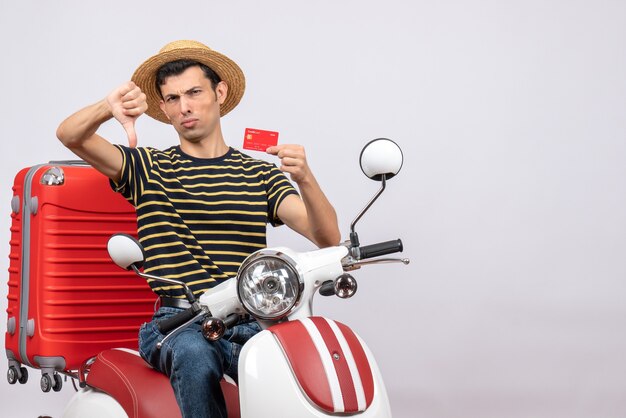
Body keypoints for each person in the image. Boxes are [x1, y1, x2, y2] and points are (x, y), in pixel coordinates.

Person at [56, 40, 340, 418]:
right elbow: (70, 135)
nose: (184, 106)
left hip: (250, 320)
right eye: (172, 98)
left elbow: (327, 239)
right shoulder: (148, 168)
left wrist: (305, 178)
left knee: (303, 363)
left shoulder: (258, 174)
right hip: (179, 323)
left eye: (193, 92)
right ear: (163, 108)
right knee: (194, 354)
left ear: (219, 92)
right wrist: (107, 108)